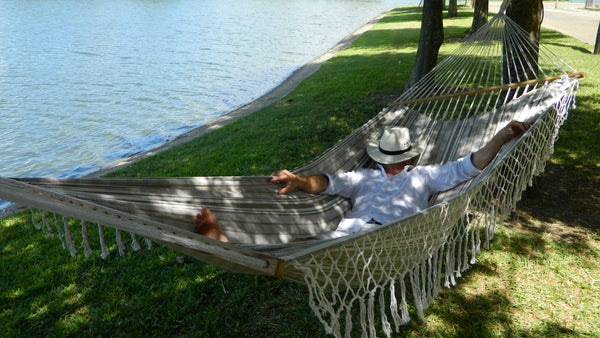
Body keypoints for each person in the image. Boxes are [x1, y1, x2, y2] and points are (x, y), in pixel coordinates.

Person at [194, 120, 531, 242]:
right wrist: (298, 180)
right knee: (304, 246)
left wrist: (501, 136)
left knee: (315, 247)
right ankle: (229, 245)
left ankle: (227, 244)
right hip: (344, 234)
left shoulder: (426, 176)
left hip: (391, 237)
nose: (395, 163)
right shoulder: (364, 176)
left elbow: (469, 166)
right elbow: (328, 181)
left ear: (411, 159)